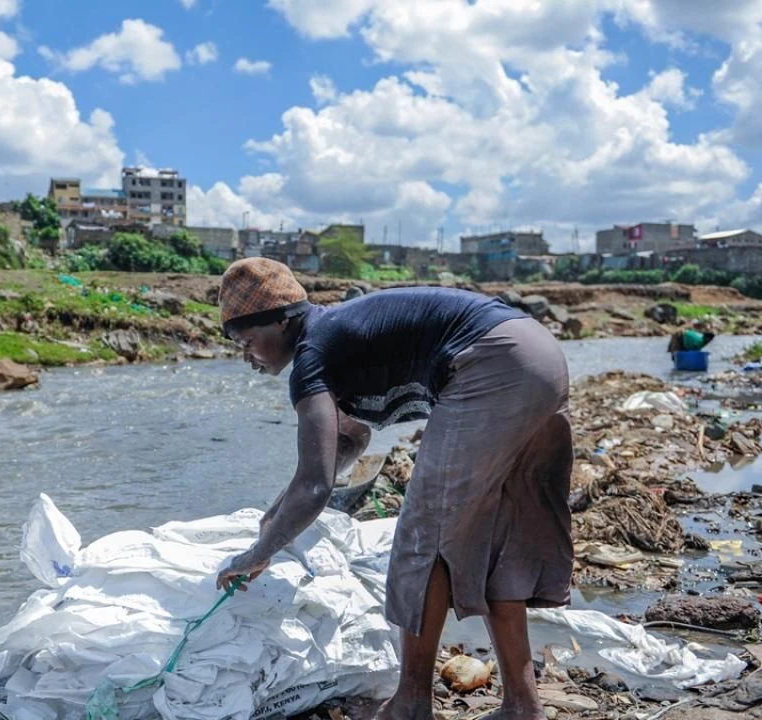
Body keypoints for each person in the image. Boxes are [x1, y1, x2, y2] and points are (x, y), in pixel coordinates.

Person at [214, 258, 573, 720]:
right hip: (536, 353)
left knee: (422, 540)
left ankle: (410, 703)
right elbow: (351, 438)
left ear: (282, 321)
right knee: (496, 541)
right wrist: (278, 510)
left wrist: (258, 551)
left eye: (247, 341)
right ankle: (523, 706)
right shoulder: (335, 334)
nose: (247, 355)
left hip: (493, 363)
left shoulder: (313, 355)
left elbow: (316, 484)